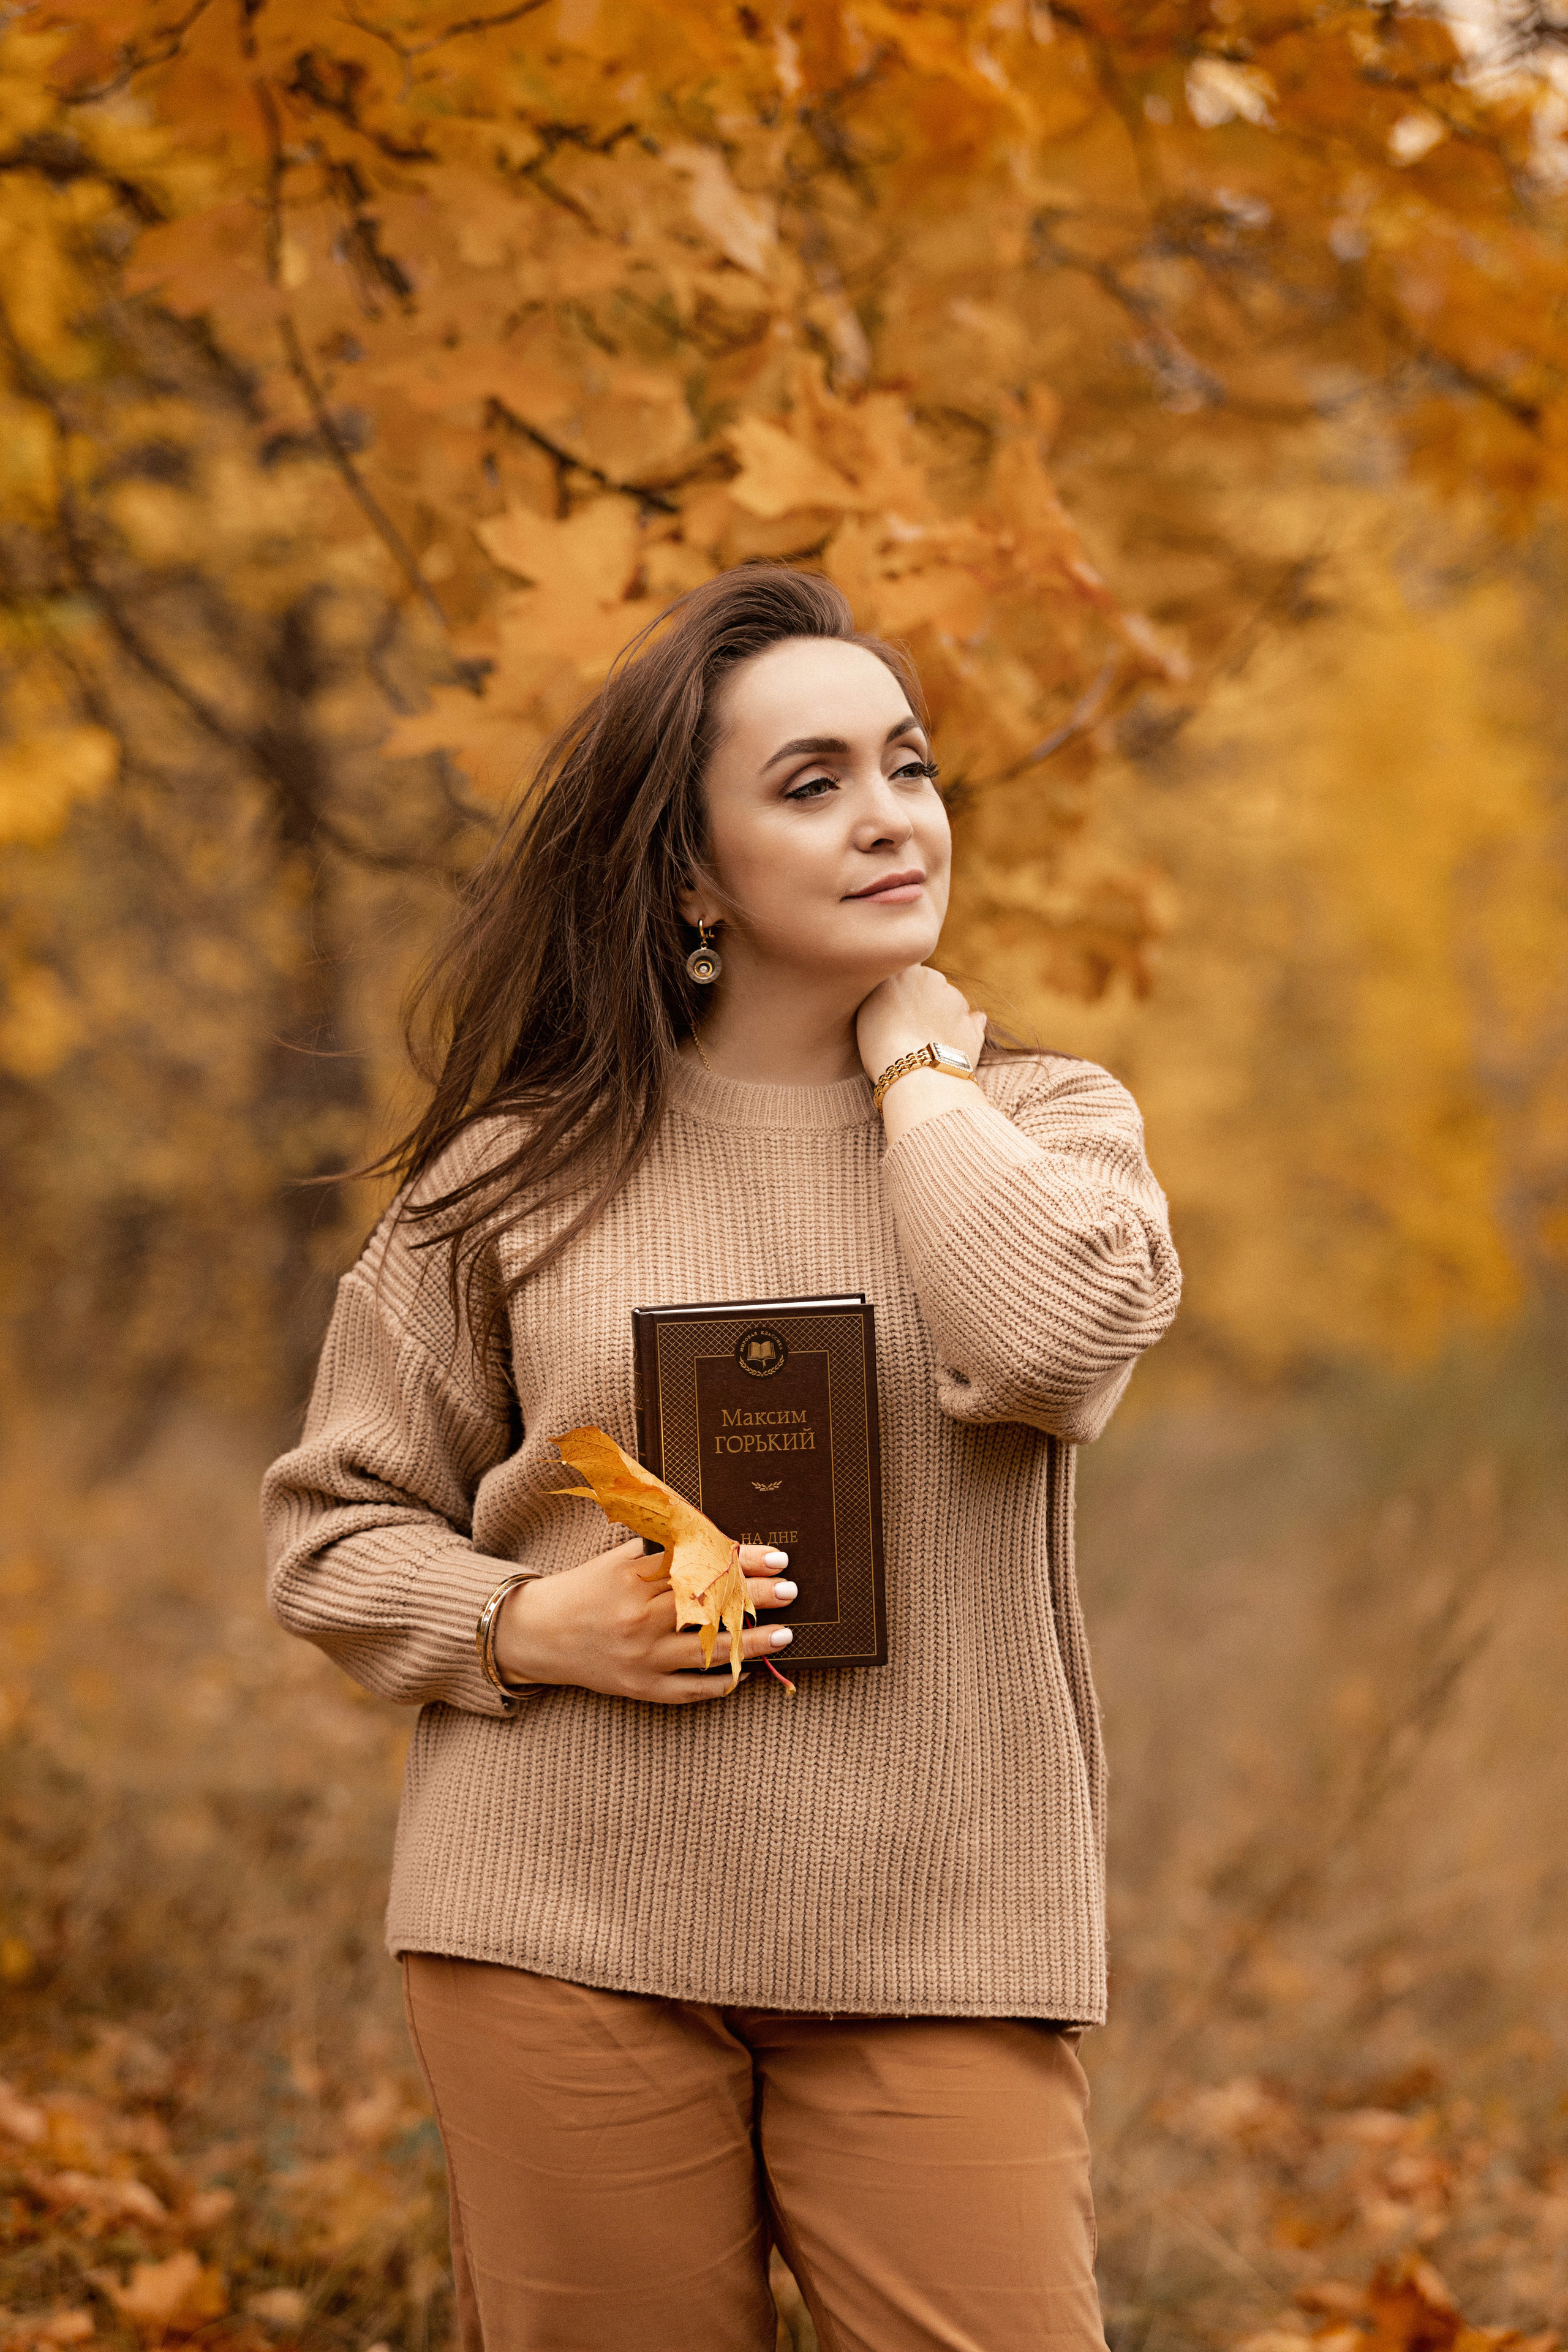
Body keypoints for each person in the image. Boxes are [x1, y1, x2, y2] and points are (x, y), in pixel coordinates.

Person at [262, 564, 1182, 2352]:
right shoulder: (515, 1174)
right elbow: (332, 1531)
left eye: (908, 768)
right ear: (690, 873)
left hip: (943, 1934)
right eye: (812, 781)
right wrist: (532, 1630)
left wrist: (919, 1077)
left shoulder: (1050, 1124)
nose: (890, 817)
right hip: (557, 1918)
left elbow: (1050, 1347)